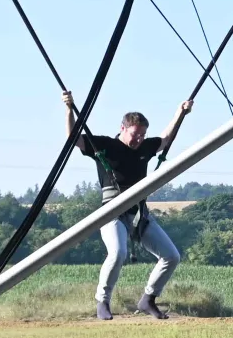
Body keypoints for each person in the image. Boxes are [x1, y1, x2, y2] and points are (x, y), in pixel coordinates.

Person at [62, 90, 193, 320]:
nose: (139, 140)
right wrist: (69, 109)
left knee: (171, 256)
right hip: (111, 214)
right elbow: (74, 138)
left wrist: (180, 113)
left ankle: (148, 299)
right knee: (118, 252)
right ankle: (102, 300)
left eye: (142, 136)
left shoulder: (144, 148)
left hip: (139, 214)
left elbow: (166, 139)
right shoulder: (104, 146)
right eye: (135, 134)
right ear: (123, 128)